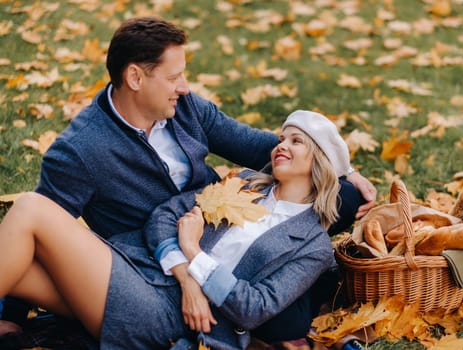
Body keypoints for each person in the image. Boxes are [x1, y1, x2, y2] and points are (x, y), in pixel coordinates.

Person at [1, 16, 376, 342]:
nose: (184, 86)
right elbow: (37, 230)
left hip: (193, 261)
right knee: (33, 211)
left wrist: (342, 167)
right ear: (135, 76)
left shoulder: (184, 107)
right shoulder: (82, 150)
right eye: (174, 76)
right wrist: (12, 317)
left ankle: (295, 294)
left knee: (346, 196)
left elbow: (255, 143)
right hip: (138, 271)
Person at [0, 110, 361, 349]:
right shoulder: (246, 184)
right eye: (283, 138)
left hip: (171, 313)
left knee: (33, 208)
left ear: (321, 163)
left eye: (296, 141)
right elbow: (163, 216)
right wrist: (183, 267)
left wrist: (196, 254)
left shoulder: (313, 247)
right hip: (142, 269)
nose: (281, 144)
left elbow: (256, 307)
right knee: (16, 267)